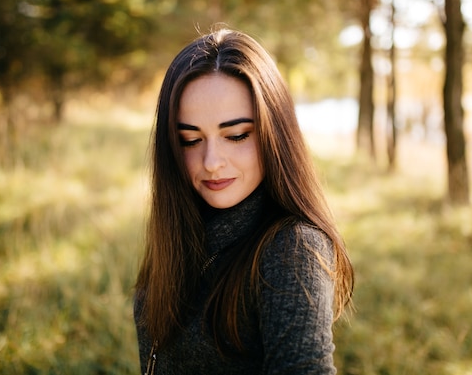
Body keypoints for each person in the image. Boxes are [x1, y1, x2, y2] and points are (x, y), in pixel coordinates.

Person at [133, 28, 354, 375]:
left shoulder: (292, 249)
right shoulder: (179, 231)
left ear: (274, 133)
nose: (211, 162)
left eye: (236, 136)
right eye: (190, 140)